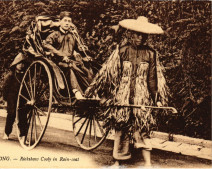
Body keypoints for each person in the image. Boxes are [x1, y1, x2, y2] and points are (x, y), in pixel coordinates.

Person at [85, 16, 168, 167]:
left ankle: (148, 164)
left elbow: (152, 78)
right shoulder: (122, 51)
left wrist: (156, 98)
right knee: (121, 127)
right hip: (123, 96)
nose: (140, 38)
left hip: (141, 98)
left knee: (142, 128)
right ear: (131, 33)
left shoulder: (151, 54)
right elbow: (111, 75)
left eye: (143, 35)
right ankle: (118, 162)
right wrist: (107, 95)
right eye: (137, 34)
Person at [43, 11, 93, 99]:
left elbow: (79, 48)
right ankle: (76, 91)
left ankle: (91, 92)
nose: (67, 23)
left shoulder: (73, 36)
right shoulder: (55, 34)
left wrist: (84, 51)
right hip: (57, 62)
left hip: (71, 60)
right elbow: (46, 45)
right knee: (70, 68)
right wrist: (61, 55)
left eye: (69, 21)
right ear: (60, 21)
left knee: (85, 69)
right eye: (65, 20)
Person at [2, 53, 28, 141]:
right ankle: (6, 133)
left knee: (23, 116)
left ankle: (23, 135)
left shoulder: (25, 76)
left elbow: (27, 88)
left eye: (23, 64)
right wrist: (5, 99)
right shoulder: (11, 75)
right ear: (15, 64)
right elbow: (5, 88)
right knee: (11, 115)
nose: (21, 65)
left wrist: (28, 99)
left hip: (22, 98)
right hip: (12, 98)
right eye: (19, 63)